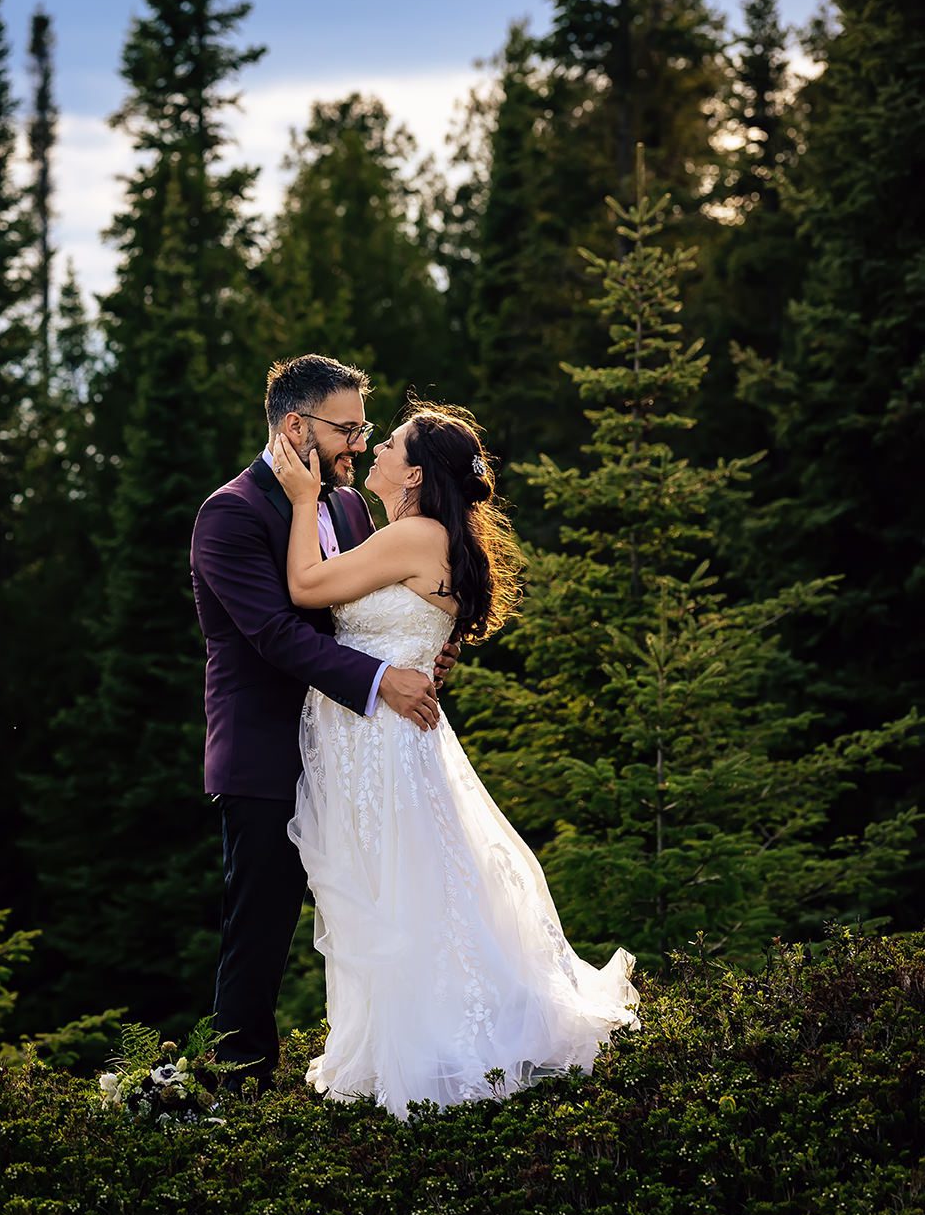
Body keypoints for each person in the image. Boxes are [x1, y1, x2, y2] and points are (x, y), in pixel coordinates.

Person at [268, 400, 638, 1119]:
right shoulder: (426, 536)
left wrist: (305, 498)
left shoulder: (411, 535)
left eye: (392, 442)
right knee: (416, 887)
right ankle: (428, 1038)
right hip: (388, 735)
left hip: (380, 741)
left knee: (399, 893)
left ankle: (437, 1052)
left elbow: (306, 589)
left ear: (413, 472)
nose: (375, 448)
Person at [189, 354, 449, 1094]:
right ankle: (237, 1098)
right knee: (260, 932)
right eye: (349, 429)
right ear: (295, 425)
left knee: (380, 914)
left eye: (366, 430)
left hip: (358, 752)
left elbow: (364, 615)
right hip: (268, 756)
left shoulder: (345, 507)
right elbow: (276, 633)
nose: (360, 445)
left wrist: (424, 650)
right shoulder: (230, 513)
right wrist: (380, 681)